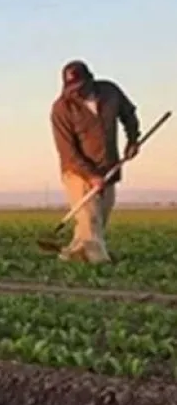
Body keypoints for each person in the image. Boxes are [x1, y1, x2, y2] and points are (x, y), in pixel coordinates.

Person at [50, 60, 140, 264]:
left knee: (98, 220)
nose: (76, 92)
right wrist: (91, 176)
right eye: (71, 88)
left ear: (90, 80)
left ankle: (72, 254)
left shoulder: (110, 92)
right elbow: (67, 150)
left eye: (79, 87)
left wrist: (133, 140)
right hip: (77, 172)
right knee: (90, 219)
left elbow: (129, 114)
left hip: (108, 167)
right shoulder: (61, 108)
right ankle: (100, 262)